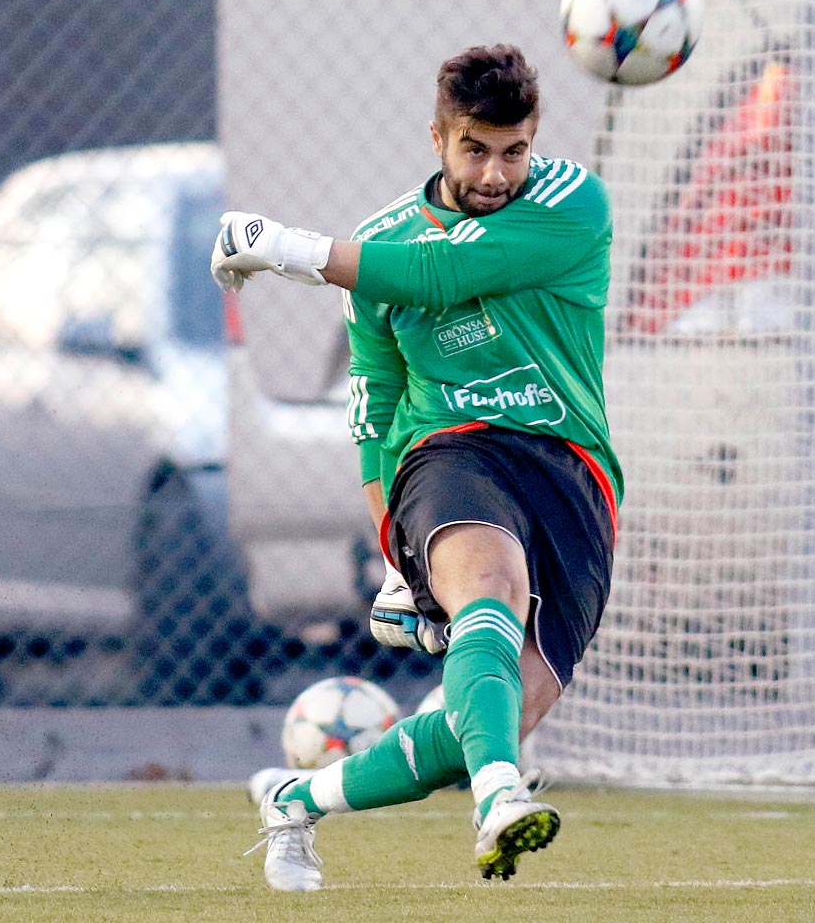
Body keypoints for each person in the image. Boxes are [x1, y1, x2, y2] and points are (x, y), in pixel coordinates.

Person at [211, 44, 622, 891]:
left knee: (488, 719)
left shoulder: (573, 201)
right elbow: (374, 415)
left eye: (514, 150)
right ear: (436, 137)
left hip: (571, 467)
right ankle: (500, 800)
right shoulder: (385, 242)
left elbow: (444, 273)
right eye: (475, 148)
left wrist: (282, 247)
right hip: (454, 452)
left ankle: (295, 797)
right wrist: (398, 555)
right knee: (492, 590)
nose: (497, 172)